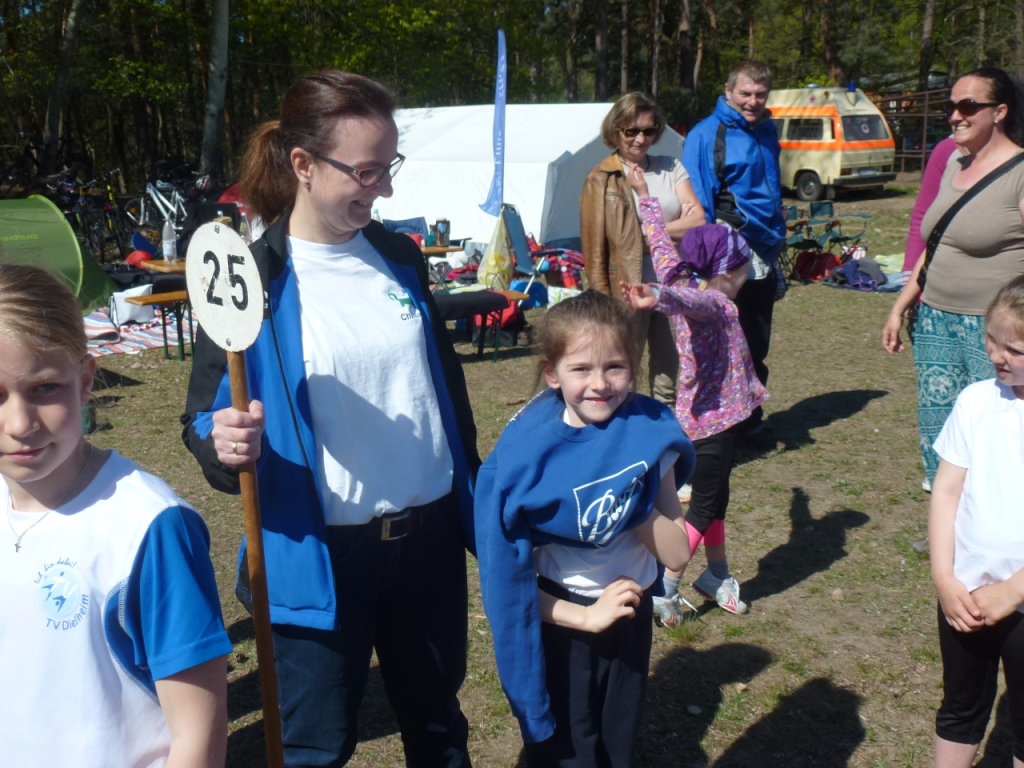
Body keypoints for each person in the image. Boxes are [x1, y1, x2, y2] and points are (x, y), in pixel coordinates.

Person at [181, 71, 480, 767]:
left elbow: (443, 388)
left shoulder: (401, 258)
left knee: (439, 727)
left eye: (389, 166)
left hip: (429, 542)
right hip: (319, 556)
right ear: (304, 164)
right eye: (367, 172)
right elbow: (201, 417)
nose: (385, 190)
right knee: (315, 747)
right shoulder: (251, 279)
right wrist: (221, 442)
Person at [0, 263, 231, 767]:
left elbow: (198, 737)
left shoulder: (148, 527)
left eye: (44, 388)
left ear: (85, 381)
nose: (19, 423)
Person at [474, 290, 695, 767]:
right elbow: (507, 585)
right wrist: (585, 617)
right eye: (580, 369)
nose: (600, 384)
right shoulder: (524, 461)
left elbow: (677, 554)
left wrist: (630, 499)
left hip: (631, 615)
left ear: (633, 365)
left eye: (615, 367)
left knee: (617, 743)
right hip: (563, 622)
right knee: (568, 751)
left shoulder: (650, 434)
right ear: (552, 373)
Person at [621, 164, 767, 626]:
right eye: (742, 270)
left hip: (707, 420)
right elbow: (687, 301)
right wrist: (656, 297)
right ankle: (664, 588)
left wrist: (644, 193)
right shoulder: (713, 303)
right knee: (702, 508)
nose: (745, 278)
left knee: (716, 498)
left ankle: (716, 574)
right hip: (713, 424)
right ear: (726, 272)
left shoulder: (683, 277)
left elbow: (661, 245)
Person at [882, 67, 1024, 495]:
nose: (955, 115)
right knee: (941, 425)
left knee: (999, 427)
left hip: (994, 330)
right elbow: (935, 244)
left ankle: (995, 513)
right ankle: (947, 511)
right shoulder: (952, 164)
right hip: (934, 319)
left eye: (968, 106)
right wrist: (901, 304)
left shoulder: (1020, 172)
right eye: (951, 106)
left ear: (1000, 111)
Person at [928, 274, 1024, 768]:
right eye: (991, 339)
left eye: (1015, 349)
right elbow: (946, 492)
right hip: (965, 594)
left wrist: (1013, 591)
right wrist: (945, 579)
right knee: (960, 707)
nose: (997, 355)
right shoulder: (975, 401)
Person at [580, 92, 706, 410]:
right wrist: (601, 298)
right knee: (623, 364)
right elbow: (595, 247)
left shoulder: (671, 167)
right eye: (631, 131)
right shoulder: (602, 178)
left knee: (669, 363)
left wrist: (651, 232)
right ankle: (621, 425)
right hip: (626, 287)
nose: (640, 139)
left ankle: (665, 423)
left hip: (672, 284)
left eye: (648, 131)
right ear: (615, 131)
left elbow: (698, 221)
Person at [682, 59, 786, 436]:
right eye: (745, 93)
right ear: (728, 91)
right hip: (730, 247)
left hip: (766, 248)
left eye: (760, 94)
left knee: (756, 339)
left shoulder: (767, 131)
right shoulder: (706, 134)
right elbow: (699, 200)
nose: (753, 101)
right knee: (726, 339)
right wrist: (706, 262)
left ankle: (750, 420)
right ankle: (723, 426)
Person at [902, 137, 959, 272]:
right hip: (943, 274)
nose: (955, 118)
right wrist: (909, 271)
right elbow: (922, 215)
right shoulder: (947, 150)